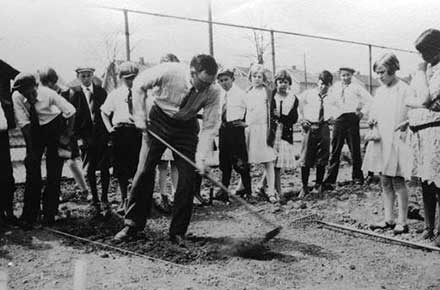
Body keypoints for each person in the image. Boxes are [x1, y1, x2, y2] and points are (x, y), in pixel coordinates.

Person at [114, 54, 221, 245]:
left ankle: (178, 232)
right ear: (192, 72)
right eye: (203, 82)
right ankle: (132, 225)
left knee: (188, 178)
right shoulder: (170, 71)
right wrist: (139, 116)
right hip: (158, 120)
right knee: (145, 171)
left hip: (186, 127)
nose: (206, 87)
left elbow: (210, 126)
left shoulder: (213, 91)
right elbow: (139, 84)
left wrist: (202, 156)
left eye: (210, 83)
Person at [12, 73, 76, 228]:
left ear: (37, 86)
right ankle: (30, 214)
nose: (30, 96)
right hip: (34, 130)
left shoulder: (49, 94)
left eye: (32, 92)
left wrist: (66, 135)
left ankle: (50, 213)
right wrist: (32, 150)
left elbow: (71, 111)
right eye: (25, 93)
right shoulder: (17, 97)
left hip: (54, 126)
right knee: (32, 169)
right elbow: (24, 124)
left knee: (54, 170)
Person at [368, 53, 411, 235]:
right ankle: (388, 218)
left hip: (397, 139)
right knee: (385, 180)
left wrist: (406, 124)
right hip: (382, 140)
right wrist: (372, 120)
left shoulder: (404, 89)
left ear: (393, 69)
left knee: (398, 181)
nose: (380, 77)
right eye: (377, 73)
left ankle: (403, 220)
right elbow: (374, 112)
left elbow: (411, 113)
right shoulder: (380, 91)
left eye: (382, 72)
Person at [404, 28, 440, 245]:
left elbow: (427, 99)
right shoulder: (426, 70)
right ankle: (428, 226)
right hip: (422, 130)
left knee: (438, 182)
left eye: (425, 52)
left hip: (437, 131)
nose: (422, 58)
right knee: (426, 181)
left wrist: (420, 74)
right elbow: (409, 98)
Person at [37, 67, 89, 202]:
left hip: (65, 129)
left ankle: (84, 189)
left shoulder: (68, 91)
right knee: (55, 165)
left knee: (71, 160)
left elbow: (75, 112)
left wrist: (71, 132)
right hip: (54, 130)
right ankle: (56, 193)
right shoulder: (50, 91)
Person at [101, 62, 142, 215]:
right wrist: (109, 128)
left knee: (138, 168)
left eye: (133, 78)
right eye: (127, 79)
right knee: (121, 169)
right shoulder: (116, 94)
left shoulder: (142, 93)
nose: (131, 81)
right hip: (120, 132)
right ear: (121, 78)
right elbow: (104, 112)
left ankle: (137, 201)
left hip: (137, 131)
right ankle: (124, 199)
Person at [70, 66, 110, 216]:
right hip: (86, 137)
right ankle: (95, 198)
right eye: (83, 76)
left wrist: (108, 134)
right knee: (90, 168)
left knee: (105, 167)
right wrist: (78, 138)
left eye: (88, 75)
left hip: (101, 136)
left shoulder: (101, 92)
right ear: (79, 77)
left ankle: (105, 197)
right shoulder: (75, 94)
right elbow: (73, 119)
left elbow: (108, 112)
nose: (86, 79)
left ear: (93, 75)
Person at [323, 66, 373, 189]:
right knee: (335, 150)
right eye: (343, 75)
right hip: (339, 120)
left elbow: (370, 100)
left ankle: (357, 178)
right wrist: (331, 114)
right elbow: (328, 101)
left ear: (352, 76)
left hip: (352, 119)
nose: (345, 77)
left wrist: (362, 112)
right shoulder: (335, 87)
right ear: (339, 76)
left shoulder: (356, 87)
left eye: (348, 75)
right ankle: (330, 180)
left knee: (355, 149)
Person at [214, 67, 251, 202]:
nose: (224, 83)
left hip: (236, 130)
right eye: (221, 80)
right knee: (224, 163)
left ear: (233, 79)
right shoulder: (219, 95)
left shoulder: (241, 94)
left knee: (241, 162)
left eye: (226, 79)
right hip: (224, 130)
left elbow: (251, 109)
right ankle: (224, 192)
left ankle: (248, 191)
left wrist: (246, 123)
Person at [298, 70, 334, 197]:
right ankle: (304, 186)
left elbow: (340, 108)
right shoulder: (308, 94)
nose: (323, 86)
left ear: (330, 85)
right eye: (321, 83)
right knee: (306, 157)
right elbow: (296, 104)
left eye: (327, 84)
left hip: (324, 127)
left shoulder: (332, 97)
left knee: (322, 157)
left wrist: (333, 117)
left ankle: (318, 185)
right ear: (317, 82)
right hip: (310, 127)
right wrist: (302, 119)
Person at [245, 64, 277, 202]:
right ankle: (245, 189)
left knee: (268, 160)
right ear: (250, 77)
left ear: (263, 78)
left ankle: (271, 191)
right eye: (254, 76)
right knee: (247, 160)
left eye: (259, 76)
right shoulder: (247, 93)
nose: (257, 79)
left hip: (264, 129)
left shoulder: (267, 92)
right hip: (250, 129)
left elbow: (273, 110)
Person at [270, 70, 298, 198]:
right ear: (276, 83)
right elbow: (269, 114)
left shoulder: (293, 99)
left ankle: (266, 187)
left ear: (289, 84)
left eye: (285, 82)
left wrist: (281, 116)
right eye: (280, 82)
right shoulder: (271, 96)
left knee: (278, 162)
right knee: (272, 161)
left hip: (285, 132)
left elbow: (293, 118)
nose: (282, 84)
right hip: (272, 132)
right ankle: (277, 190)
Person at [0, 60, 19, 226]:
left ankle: (8, 211)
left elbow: (19, 76)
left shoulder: (1, 65)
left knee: (5, 171)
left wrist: (8, 98)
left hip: (1, 131)